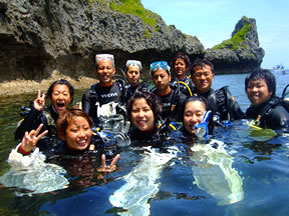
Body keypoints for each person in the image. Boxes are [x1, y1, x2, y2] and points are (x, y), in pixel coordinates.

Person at [10, 109, 120, 173]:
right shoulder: (55, 153)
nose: (82, 135)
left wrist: (108, 173)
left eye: (86, 129)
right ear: (63, 135)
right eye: (75, 130)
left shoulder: (101, 147)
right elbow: (26, 169)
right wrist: (24, 151)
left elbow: (117, 166)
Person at [191, 58, 245, 123]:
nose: (202, 78)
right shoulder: (185, 98)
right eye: (198, 75)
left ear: (212, 76)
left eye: (206, 74)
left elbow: (241, 121)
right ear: (192, 78)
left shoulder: (224, 99)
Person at [82, 54, 126, 129]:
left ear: (114, 71)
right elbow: (84, 121)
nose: (105, 71)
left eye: (108, 68)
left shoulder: (122, 89)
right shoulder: (89, 95)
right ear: (96, 71)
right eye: (101, 68)